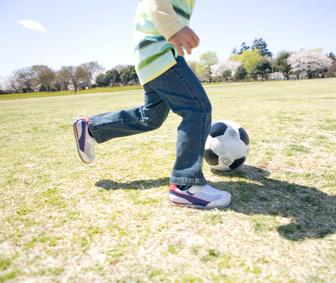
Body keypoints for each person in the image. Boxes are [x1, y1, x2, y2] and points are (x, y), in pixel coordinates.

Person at [73, 0, 231, 209]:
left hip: (152, 56)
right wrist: (174, 29)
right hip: (160, 52)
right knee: (197, 108)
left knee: (151, 117)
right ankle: (185, 186)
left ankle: (91, 128)